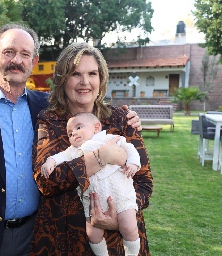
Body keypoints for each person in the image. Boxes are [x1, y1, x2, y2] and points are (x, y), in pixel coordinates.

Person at [0, 23, 141, 256]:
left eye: (25, 54)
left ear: (34, 61)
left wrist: (129, 120)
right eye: (9, 52)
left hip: (35, 234)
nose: (16, 60)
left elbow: (85, 110)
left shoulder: (46, 108)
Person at [30, 42, 153, 256]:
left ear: (101, 78)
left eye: (92, 73)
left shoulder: (121, 119)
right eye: (75, 74)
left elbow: (144, 181)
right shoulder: (49, 121)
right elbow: (45, 182)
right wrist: (100, 157)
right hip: (64, 239)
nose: (84, 82)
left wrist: (121, 214)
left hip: (118, 240)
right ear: (62, 79)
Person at [41, 112, 141, 256]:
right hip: (93, 202)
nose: (74, 133)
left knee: (129, 228)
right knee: (92, 235)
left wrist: (133, 164)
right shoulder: (74, 150)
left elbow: (130, 148)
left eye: (79, 127)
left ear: (96, 127)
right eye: (70, 133)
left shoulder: (108, 139)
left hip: (120, 194)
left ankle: (132, 253)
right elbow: (59, 157)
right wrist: (50, 162)